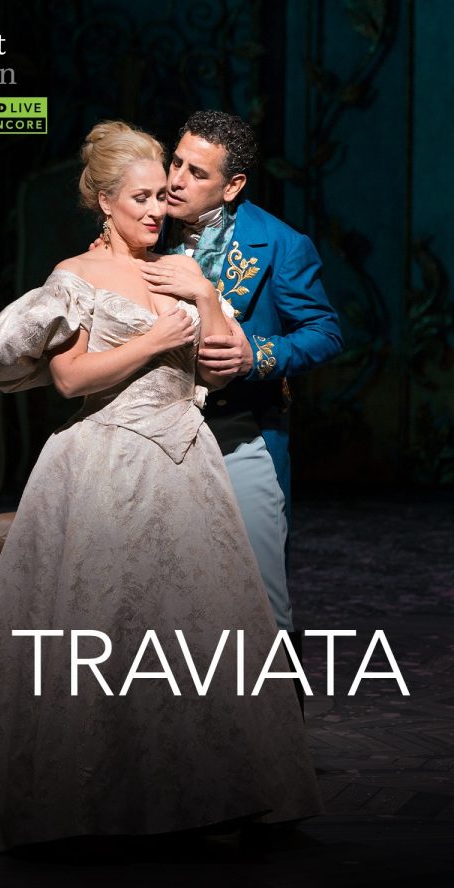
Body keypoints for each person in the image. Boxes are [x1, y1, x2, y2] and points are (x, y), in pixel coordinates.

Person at [0, 121, 321, 852]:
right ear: (104, 201)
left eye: (163, 195)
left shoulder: (177, 267)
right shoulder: (76, 275)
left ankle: (199, 796)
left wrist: (205, 297)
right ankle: (85, 800)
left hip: (188, 459)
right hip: (109, 460)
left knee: (197, 632)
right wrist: (154, 339)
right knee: (101, 630)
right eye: (141, 198)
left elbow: (220, 364)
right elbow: (68, 381)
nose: (159, 209)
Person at [142, 111, 343, 636]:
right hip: (153, 432)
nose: (176, 180)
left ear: (232, 186)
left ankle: (273, 691)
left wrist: (257, 356)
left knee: (258, 595)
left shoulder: (279, 242)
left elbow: (325, 332)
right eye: (176, 163)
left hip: (242, 429)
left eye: (197, 173)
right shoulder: (142, 225)